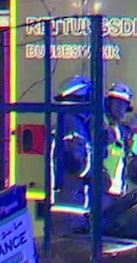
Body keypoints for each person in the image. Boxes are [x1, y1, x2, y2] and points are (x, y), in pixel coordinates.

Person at [50, 74, 93, 207]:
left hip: (65, 200)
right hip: (71, 203)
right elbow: (76, 164)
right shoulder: (73, 124)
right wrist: (95, 173)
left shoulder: (65, 121)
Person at [100, 82, 136, 196]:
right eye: (117, 103)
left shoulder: (123, 131)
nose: (120, 108)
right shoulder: (101, 124)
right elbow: (104, 138)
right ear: (108, 102)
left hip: (117, 193)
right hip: (102, 192)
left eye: (124, 105)